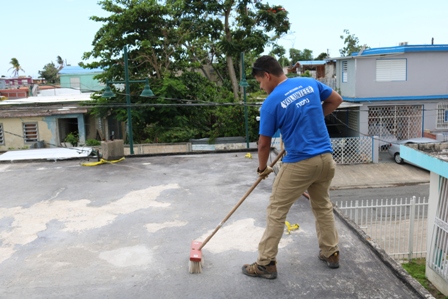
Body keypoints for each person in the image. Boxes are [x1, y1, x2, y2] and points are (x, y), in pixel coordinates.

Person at [242, 55, 343, 279]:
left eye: (259, 81)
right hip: (326, 160)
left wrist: (262, 169)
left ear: (267, 75)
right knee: (322, 205)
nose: (260, 85)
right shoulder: (309, 83)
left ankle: (265, 263)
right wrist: (310, 119)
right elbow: (336, 100)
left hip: (300, 162)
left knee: (276, 210)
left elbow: (263, 144)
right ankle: (331, 252)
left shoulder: (270, 103)